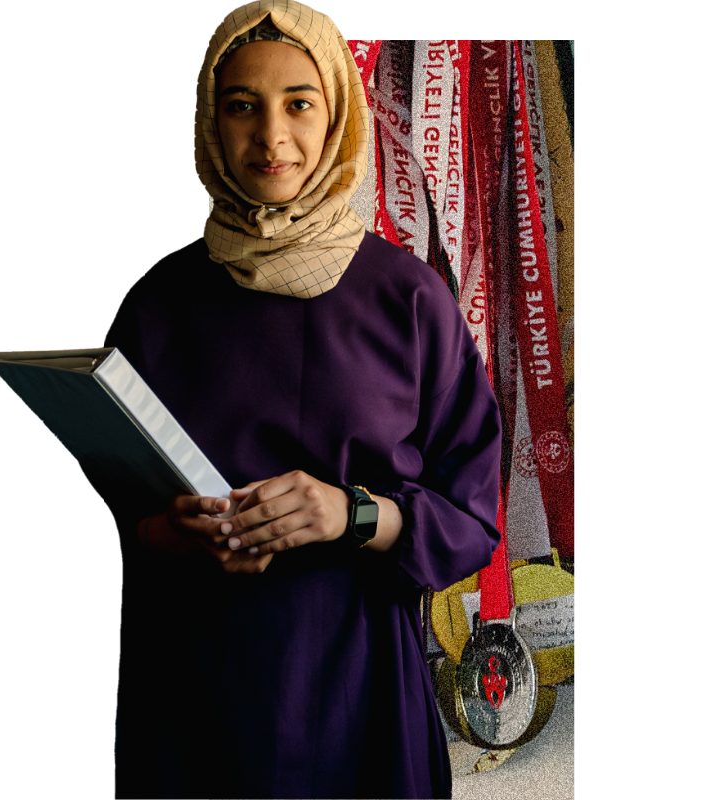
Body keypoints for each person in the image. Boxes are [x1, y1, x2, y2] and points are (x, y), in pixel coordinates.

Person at [109, 2, 502, 798]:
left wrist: (353, 513)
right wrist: (167, 531)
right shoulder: (157, 303)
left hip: (359, 686)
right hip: (193, 687)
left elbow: (472, 517)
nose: (272, 138)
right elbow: (116, 501)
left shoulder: (409, 299)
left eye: (299, 103)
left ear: (338, 117)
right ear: (209, 121)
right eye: (241, 105)